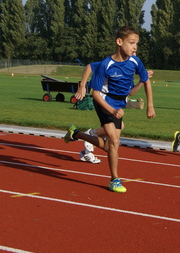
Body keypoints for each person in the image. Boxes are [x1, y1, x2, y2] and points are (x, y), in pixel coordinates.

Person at [64, 26, 155, 193]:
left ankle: (76, 134)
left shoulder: (136, 62)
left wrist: (150, 105)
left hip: (119, 103)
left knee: (109, 147)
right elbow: (95, 94)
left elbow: (143, 83)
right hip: (104, 102)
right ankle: (114, 180)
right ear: (119, 42)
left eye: (137, 44)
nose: (135, 47)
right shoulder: (106, 65)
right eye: (132, 43)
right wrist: (83, 85)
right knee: (114, 142)